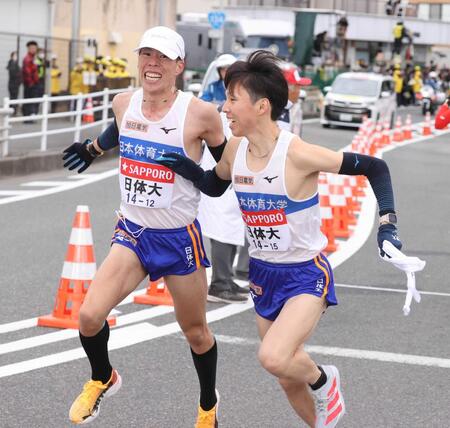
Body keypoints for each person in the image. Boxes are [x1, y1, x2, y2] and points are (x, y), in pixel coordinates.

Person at [155, 50, 403, 428]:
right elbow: (213, 186)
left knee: (273, 356)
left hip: (305, 274)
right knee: (286, 377)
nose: (224, 108)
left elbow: (375, 167)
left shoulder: (297, 153)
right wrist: (184, 167)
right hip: (263, 275)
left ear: (262, 106)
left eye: (233, 99)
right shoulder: (235, 150)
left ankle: (324, 379)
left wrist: (387, 225)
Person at [62, 26, 226, 427]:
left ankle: (208, 404)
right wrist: (93, 147)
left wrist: (195, 172)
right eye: (146, 55)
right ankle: (103, 378)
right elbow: (122, 128)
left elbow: (222, 176)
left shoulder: (200, 114)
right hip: (133, 232)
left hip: (178, 238)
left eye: (163, 57)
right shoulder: (123, 102)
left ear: (179, 66)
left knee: (195, 331)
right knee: (88, 316)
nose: (152, 64)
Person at [278, 63, 311, 136]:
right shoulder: (276, 112)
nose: (299, 91)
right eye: (298, 87)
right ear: (288, 89)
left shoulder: (289, 108)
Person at [22, 40, 40, 120]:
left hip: (34, 83)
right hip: (30, 83)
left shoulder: (34, 58)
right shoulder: (27, 59)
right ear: (28, 48)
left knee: (31, 99)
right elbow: (27, 72)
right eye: (32, 48)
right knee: (28, 99)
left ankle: (29, 116)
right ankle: (27, 117)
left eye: (35, 48)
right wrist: (30, 83)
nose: (34, 49)